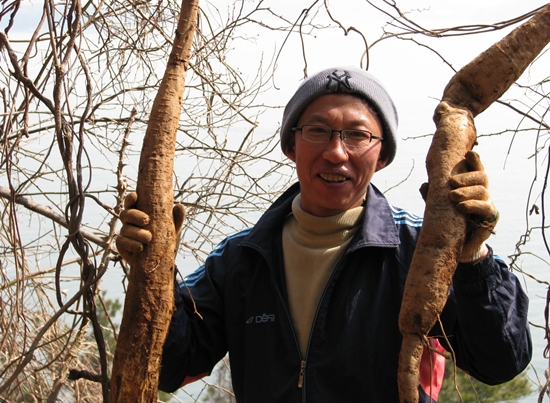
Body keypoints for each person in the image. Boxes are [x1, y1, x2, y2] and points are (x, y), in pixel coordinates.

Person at [116, 66, 532, 403]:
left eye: (357, 135)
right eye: (317, 131)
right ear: (291, 146)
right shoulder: (241, 257)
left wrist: (473, 259)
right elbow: (172, 365)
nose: (336, 151)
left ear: (382, 155)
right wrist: (152, 272)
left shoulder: (418, 251)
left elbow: (501, 362)